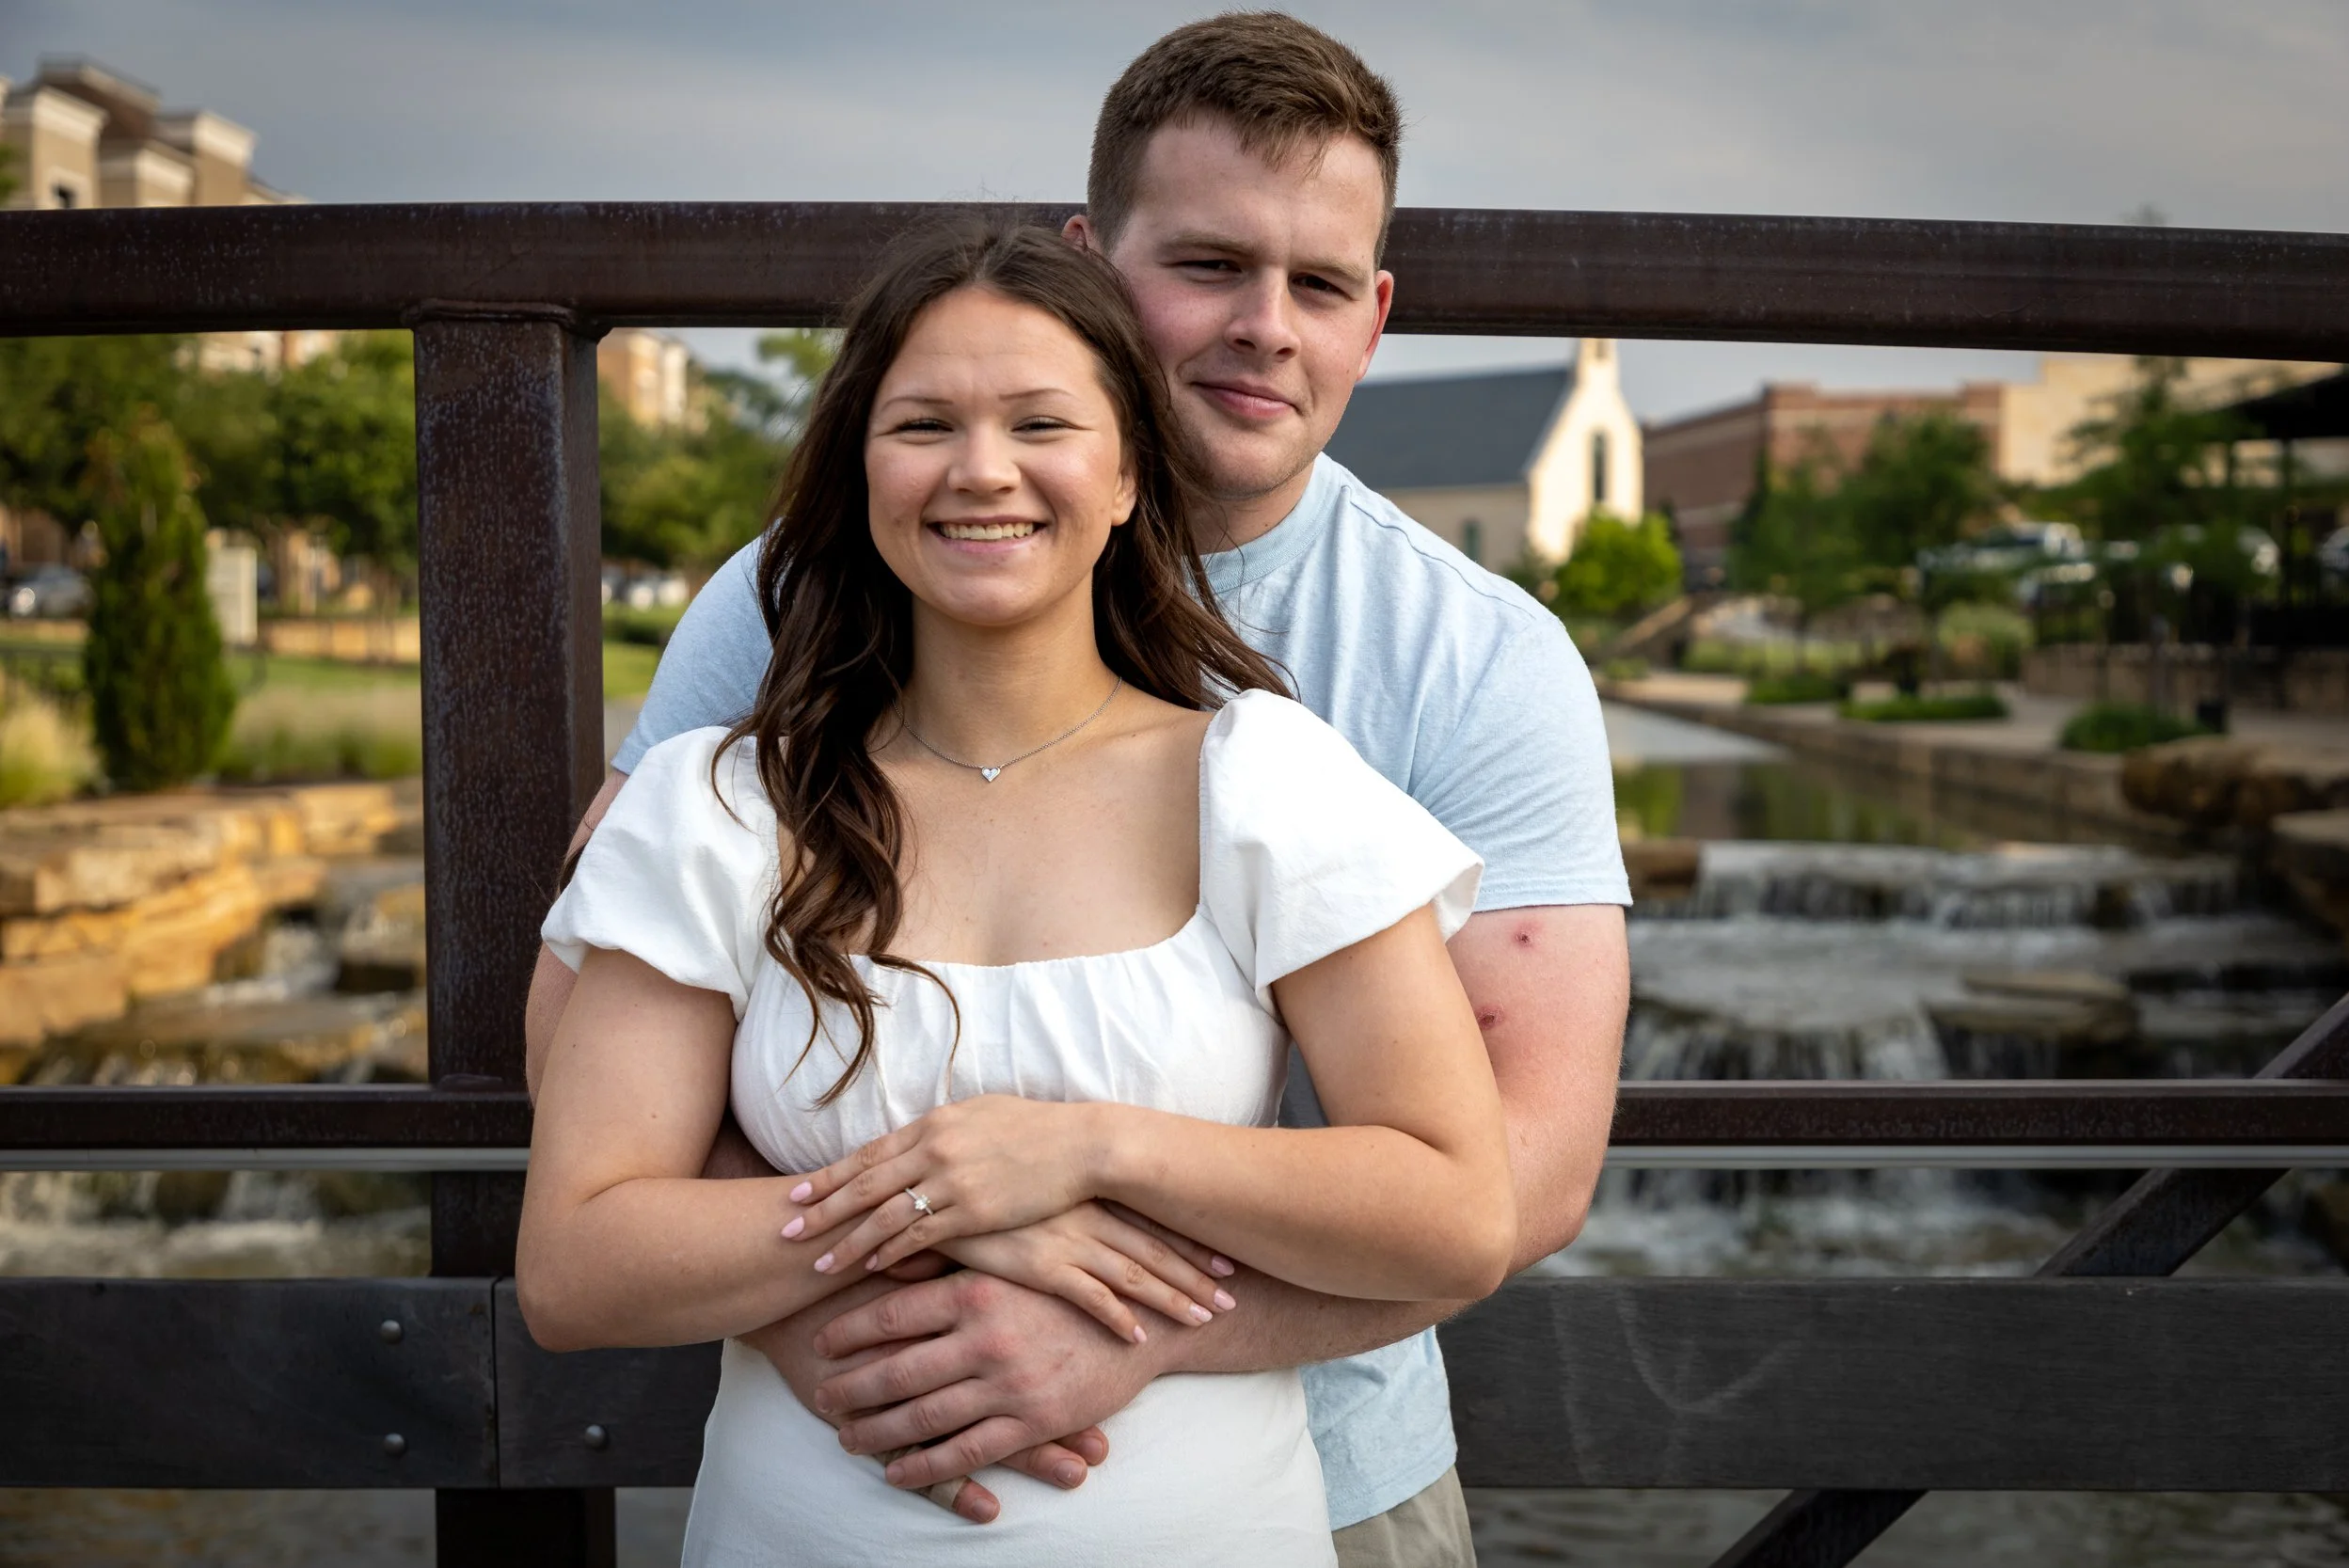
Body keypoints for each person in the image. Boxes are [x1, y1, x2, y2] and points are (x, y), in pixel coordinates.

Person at [526, 14, 1630, 1564]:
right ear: (1091, 263)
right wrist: (909, 1274)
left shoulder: (1457, 667)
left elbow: (1517, 1175)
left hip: (1330, 1442)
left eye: (1318, 285)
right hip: (848, 1422)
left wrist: (1127, 1314)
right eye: (1208, 265)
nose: (1267, 326)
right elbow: (587, 1061)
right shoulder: (777, 634)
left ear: (1373, 317)